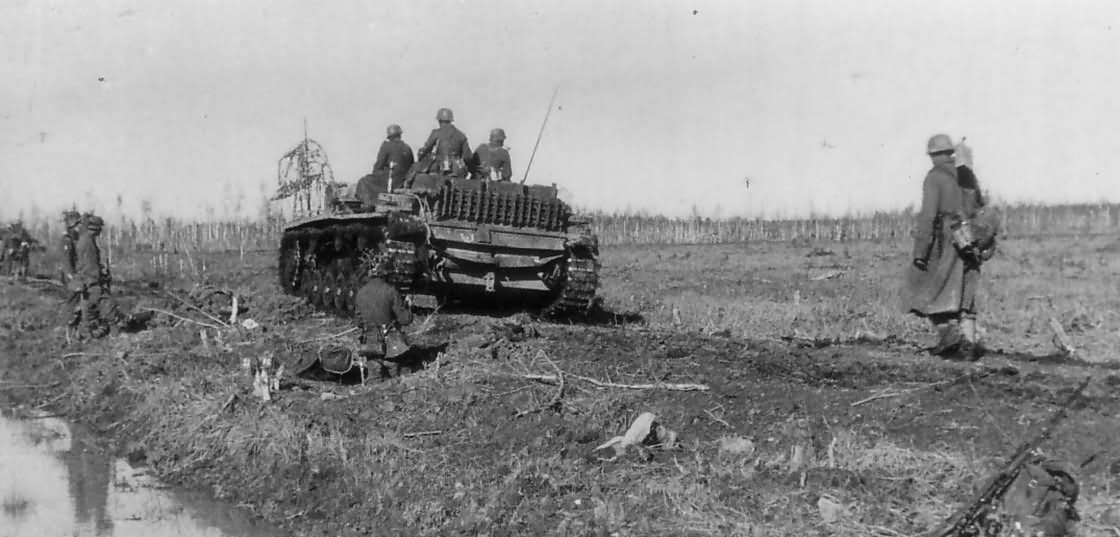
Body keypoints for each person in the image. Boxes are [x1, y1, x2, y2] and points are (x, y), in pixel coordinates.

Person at [903, 134, 996, 360]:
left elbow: (928, 216)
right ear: (950, 153)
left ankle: (949, 334)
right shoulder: (967, 175)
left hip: (949, 238)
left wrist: (921, 252)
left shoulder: (934, 177)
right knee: (966, 292)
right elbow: (980, 207)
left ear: (933, 155)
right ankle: (968, 348)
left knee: (924, 286)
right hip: (972, 239)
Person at [353, 252, 413, 363]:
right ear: (386, 274)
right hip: (391, 348)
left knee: (374, 376)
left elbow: (358, 322)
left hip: (369, 346)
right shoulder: (390, 291)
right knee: (398, 374)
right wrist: (408, 307)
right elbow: (404, 320)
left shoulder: (360, 293)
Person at [74, 212, 109, 338]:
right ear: (96, 228)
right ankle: (88, 336)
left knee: (87, 311)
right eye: (100, 228)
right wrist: (100, 277)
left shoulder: (83, 240)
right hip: (91, 283)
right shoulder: (89, 243)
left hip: (86, 282)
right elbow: (90, 265)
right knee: (94, 312)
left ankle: (84, 333)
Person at [416, 107, 472, 178]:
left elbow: (425, 151)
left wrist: (421, 155)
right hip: (458, 170)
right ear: (450, 120)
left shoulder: (436, 133)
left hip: (438, 170)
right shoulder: (461, 135)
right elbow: (468, 157)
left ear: (439, 120)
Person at [372, 124, 415, 190]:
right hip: (404, 181)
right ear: (400, 135)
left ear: (389, 136)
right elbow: (412, 166)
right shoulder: (407, 147)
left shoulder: (386, 146)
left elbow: (378, 166)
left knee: (363, 181)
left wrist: (375, 173)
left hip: (390, 181)